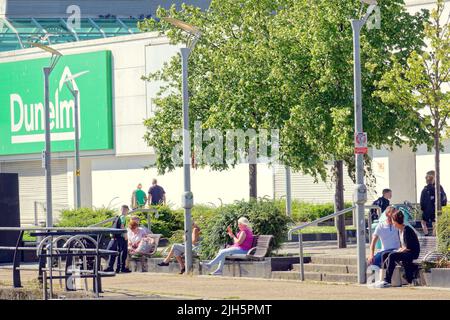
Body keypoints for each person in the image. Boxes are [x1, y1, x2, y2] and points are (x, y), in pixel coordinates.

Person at [376, 211, 420, 288]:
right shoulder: (399, 230)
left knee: (392, 255)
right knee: (385, 254)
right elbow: (402, 246)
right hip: (405, 252)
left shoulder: (407, 230)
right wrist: (399, 250)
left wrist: (399, 250)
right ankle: (382, 278)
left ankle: (387, 280)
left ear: (396, 221)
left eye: (393, 221)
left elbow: (408, 247)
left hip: (412, 253)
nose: (392, 223)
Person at [104, 205, 132, 273]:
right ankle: (121, 268)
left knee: (115, 253)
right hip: (121, 237)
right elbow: (122, 226)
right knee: (123, 252)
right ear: (126, 210)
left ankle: (111, 267)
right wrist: (125, 235)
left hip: (115, 237)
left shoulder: (116, 217)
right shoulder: (123, 217)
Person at [420, 171, 447, 236]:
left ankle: (430, 235)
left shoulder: (429, 188)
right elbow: (443, 197)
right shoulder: (437, 187)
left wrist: (423, 207)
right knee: (432, 222)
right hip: (432, 208)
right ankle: (433, 235)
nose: (426, 178)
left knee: (429, 222)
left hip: (430, 208)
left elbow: (422, 199)